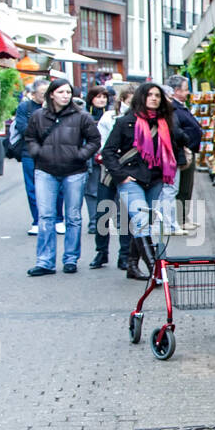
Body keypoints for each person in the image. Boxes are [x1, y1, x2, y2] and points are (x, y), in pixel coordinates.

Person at [101, 81, 181, 281]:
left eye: (157, 95)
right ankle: (156, 269)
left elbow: (175, 145)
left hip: (155, 179)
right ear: (141, 98)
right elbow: (108, 151)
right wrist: (121, 176)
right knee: (141, 221)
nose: (154, 98)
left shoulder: (165, 122)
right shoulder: (125, 122)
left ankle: (131, 265)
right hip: (130, 178)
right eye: (150, 95)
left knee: (143, 222)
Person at [24, 78, 101, 276]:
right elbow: (30, 138)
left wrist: (80, 155)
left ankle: (70, 259)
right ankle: (45, 261)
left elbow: (94, 140)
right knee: (46, 216)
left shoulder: (81, 116)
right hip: (45, 169)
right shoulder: (38, 116)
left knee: (73, 216)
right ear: (51, 94)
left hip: (74, 171)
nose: (65, 96)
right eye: (61, 92)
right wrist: (38, 153)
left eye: (68, 92)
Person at [12, 80, 64, 237]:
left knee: (58, 186)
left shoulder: (59, 107)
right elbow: (23, 129)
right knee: (33, 187)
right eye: (43, 94)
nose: (47, 97)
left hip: (55, 153)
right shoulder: (25, 107)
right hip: (30, 152)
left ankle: (58, 219)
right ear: (33, 94)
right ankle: (37, 221)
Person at [95, 86, 133, 270]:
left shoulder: (140, 119)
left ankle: (124, 254)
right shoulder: (109, 117)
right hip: (109, 168)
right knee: (103, 211)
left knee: (125, 215)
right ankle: (101, 252)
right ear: (124, 99)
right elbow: (102, 143)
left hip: (128, 170)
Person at [165, 75, 204, 232]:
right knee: (182, 187)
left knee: (187, 186)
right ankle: (180, 220)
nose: (188, 92)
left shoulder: (180, 106)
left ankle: (184, 218)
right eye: (186, 89)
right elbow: (176, 130)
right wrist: (187, 141)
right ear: (176, 91)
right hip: (183, 151)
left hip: (189, 149)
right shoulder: (173, 108)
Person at [81, 86, 112, 268]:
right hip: (91, 155)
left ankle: (106, 221)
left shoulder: (111, 114)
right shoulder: (86, 114)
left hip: (107, 158)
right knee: (91, 190)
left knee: (106, 192)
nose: (101, 100)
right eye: (98, 97)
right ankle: (94, 221)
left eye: (104, 97)